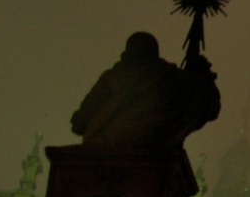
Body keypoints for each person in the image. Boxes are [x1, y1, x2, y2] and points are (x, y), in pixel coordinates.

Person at [71, 32, 220, 148]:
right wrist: (201, 75)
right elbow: (207, 102)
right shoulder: (169, 77)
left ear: (128, 52)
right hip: (154, 141)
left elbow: (81, 119)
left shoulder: (115, 76)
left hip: (108, 142)